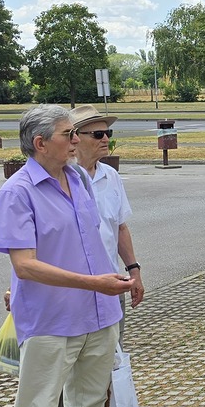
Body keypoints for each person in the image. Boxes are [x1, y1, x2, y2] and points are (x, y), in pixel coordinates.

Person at [0, 105, 135, 407]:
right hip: (51, 319)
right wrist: (93, 282)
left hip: (99, 312)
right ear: (40, 143)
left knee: (88, 401)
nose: (77, 140)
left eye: (77, 133)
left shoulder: (79, 179)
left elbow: (94, 240)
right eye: (69, 134)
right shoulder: (17, 192)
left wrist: (118, 277)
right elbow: (25, 264)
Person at [69, 105, 144, 315]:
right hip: (73, 290)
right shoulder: (61, 178)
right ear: (75, 138)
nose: (105, 139)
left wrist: (134, 271)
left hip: (111, 285)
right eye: (98, 134)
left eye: (108, 133)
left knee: (116, 337)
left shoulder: (111, 176)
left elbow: (119, 227)